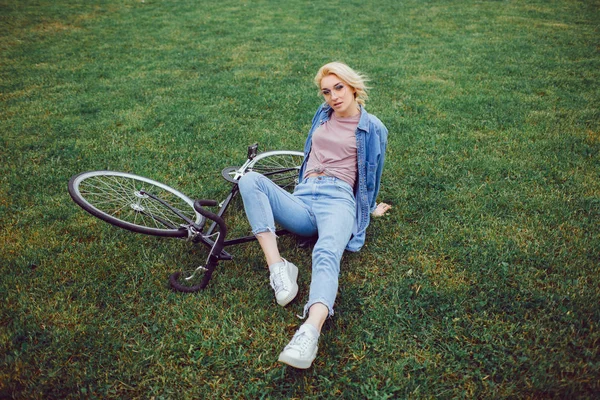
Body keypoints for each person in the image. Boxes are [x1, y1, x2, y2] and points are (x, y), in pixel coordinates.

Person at [237, 61, 390, 369]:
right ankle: (279, 268)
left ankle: (309, 331)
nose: (333, 97)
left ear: (352, 87)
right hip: (305, 196)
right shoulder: (323, 114)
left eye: (338, 88)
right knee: (250, 179)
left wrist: (368, 208)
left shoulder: (373, 127)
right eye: (326, 91)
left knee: (326, 253)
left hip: (339, 201)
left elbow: (372, 173)